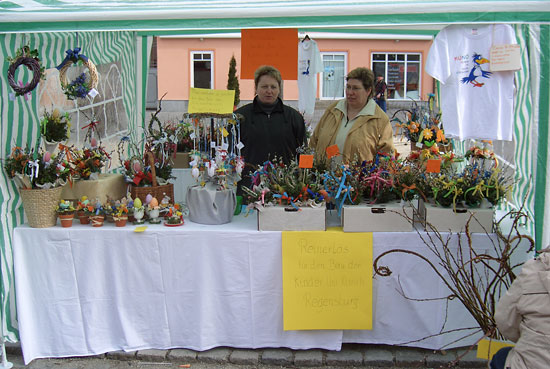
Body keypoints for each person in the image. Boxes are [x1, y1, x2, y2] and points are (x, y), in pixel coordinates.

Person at [235, 65, 306, 194]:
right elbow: (231, 152)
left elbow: (304, 152)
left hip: (285, 187)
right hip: (249, 186)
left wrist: (304, 180)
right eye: (264, 86)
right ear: (256, 88)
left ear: (279, 89)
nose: (269, 91)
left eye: (273, 87)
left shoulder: (293, 117)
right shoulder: (241, 117)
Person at [309, 67, 395, 164]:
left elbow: (386, 157)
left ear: (368, 91)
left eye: (355, 88)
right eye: (348, 87)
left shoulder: (379, 119)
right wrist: (304, 174)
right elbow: (313, 143)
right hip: (323, 177)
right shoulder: (333, 110)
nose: (350, 92)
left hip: (358, 178)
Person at [490, 247, 550, 369]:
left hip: (530, 363)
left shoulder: (534, 270)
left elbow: (504, 320)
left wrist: (529, 337)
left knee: (501, 357)